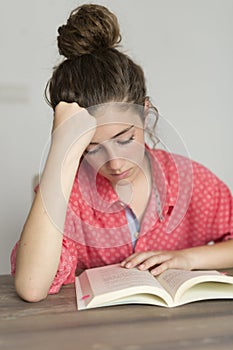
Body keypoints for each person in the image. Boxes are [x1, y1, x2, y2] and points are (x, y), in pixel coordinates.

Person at [11, 4, 233, 302]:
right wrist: (61, 149)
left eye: (125, 139)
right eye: (91, 148)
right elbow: (31, 286)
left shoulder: (191, 183)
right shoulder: (73, 192)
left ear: (144, 112)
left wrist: (188, 258)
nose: (115, 164)